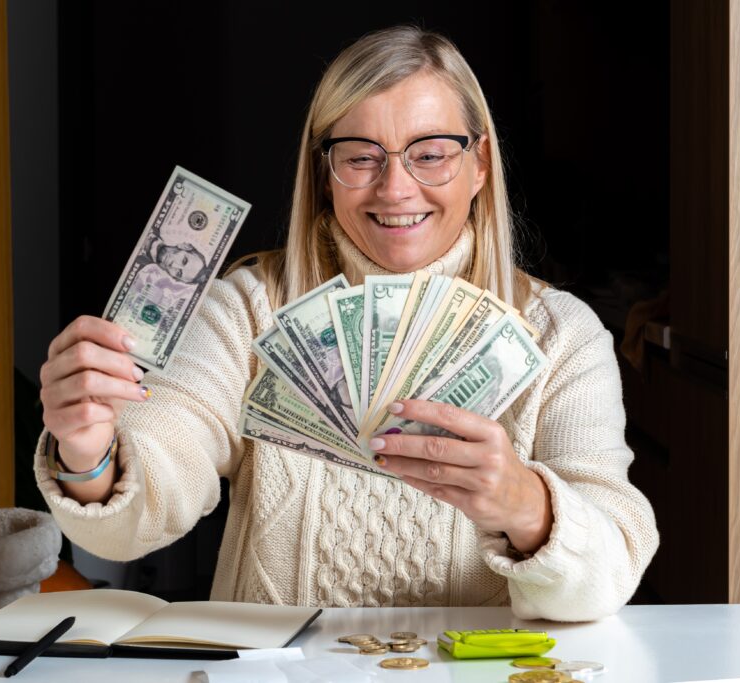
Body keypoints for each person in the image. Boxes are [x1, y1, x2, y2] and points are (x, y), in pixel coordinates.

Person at [36, 26, 658, 621]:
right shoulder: (248, 308)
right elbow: (139, 512)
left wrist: (527, 506)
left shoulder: (561, 336)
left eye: (431, 154)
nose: (395, 188)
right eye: (360, 157)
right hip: (277, 676)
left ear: (480, 164)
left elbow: (612, 573)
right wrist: (90, 454)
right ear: (323, 173)